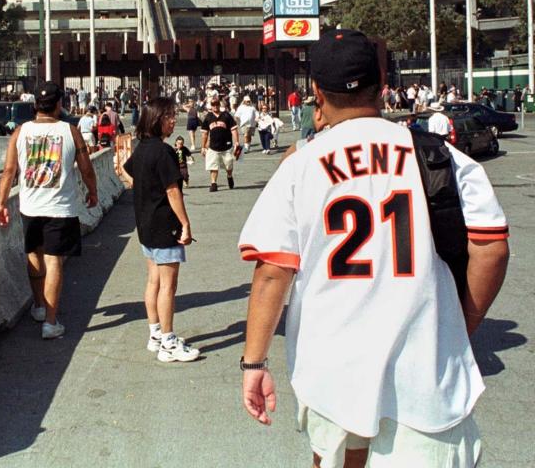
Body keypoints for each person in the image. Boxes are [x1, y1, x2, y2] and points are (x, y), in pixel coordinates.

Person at [238, 28, 509, 468]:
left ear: (315, 93)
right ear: (382, 85)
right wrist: (465, 321)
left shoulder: (300, 165)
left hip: (332, 365)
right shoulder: (441, 157)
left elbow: (273, 270)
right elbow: (491, 247)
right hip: (425, 364)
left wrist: (254, 364)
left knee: (336, 458)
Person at [0, 82, 98, 339]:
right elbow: (86, 168)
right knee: (54, 261)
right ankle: (51, 323)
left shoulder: (20, 132)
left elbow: (9, 171)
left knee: (34, 255)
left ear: (35, 106)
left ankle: (40, 306)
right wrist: (92, 191)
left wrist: (1, 203)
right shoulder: (70, 131)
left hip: (30, 206)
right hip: (60, 208)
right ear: (59, 104)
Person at [119, 98, 199, 363]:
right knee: (168, 285)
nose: (173, 120)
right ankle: (168, 342)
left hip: (145, 224)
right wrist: (185, 223)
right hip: (164, 225)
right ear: (156, 119)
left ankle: (155, 334)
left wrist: (144, 188)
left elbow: (125, 170)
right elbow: (173, 191)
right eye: (168, 116)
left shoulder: (142, 149)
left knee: (153, 280)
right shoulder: (163, 152)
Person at [201, 99, 239, 192]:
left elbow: (233, 130)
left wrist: (236, 142)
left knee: (228, 165)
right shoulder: (208, 117)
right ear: (211, 106)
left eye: (217, 104)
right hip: (213, 146)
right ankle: (213, 183)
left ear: (219, 105)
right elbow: (205, 133)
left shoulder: (226, 115)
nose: (215, 106)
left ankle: (229, 176)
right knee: (213, 166)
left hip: (227, 146)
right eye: (213, 105)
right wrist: (203, 147)